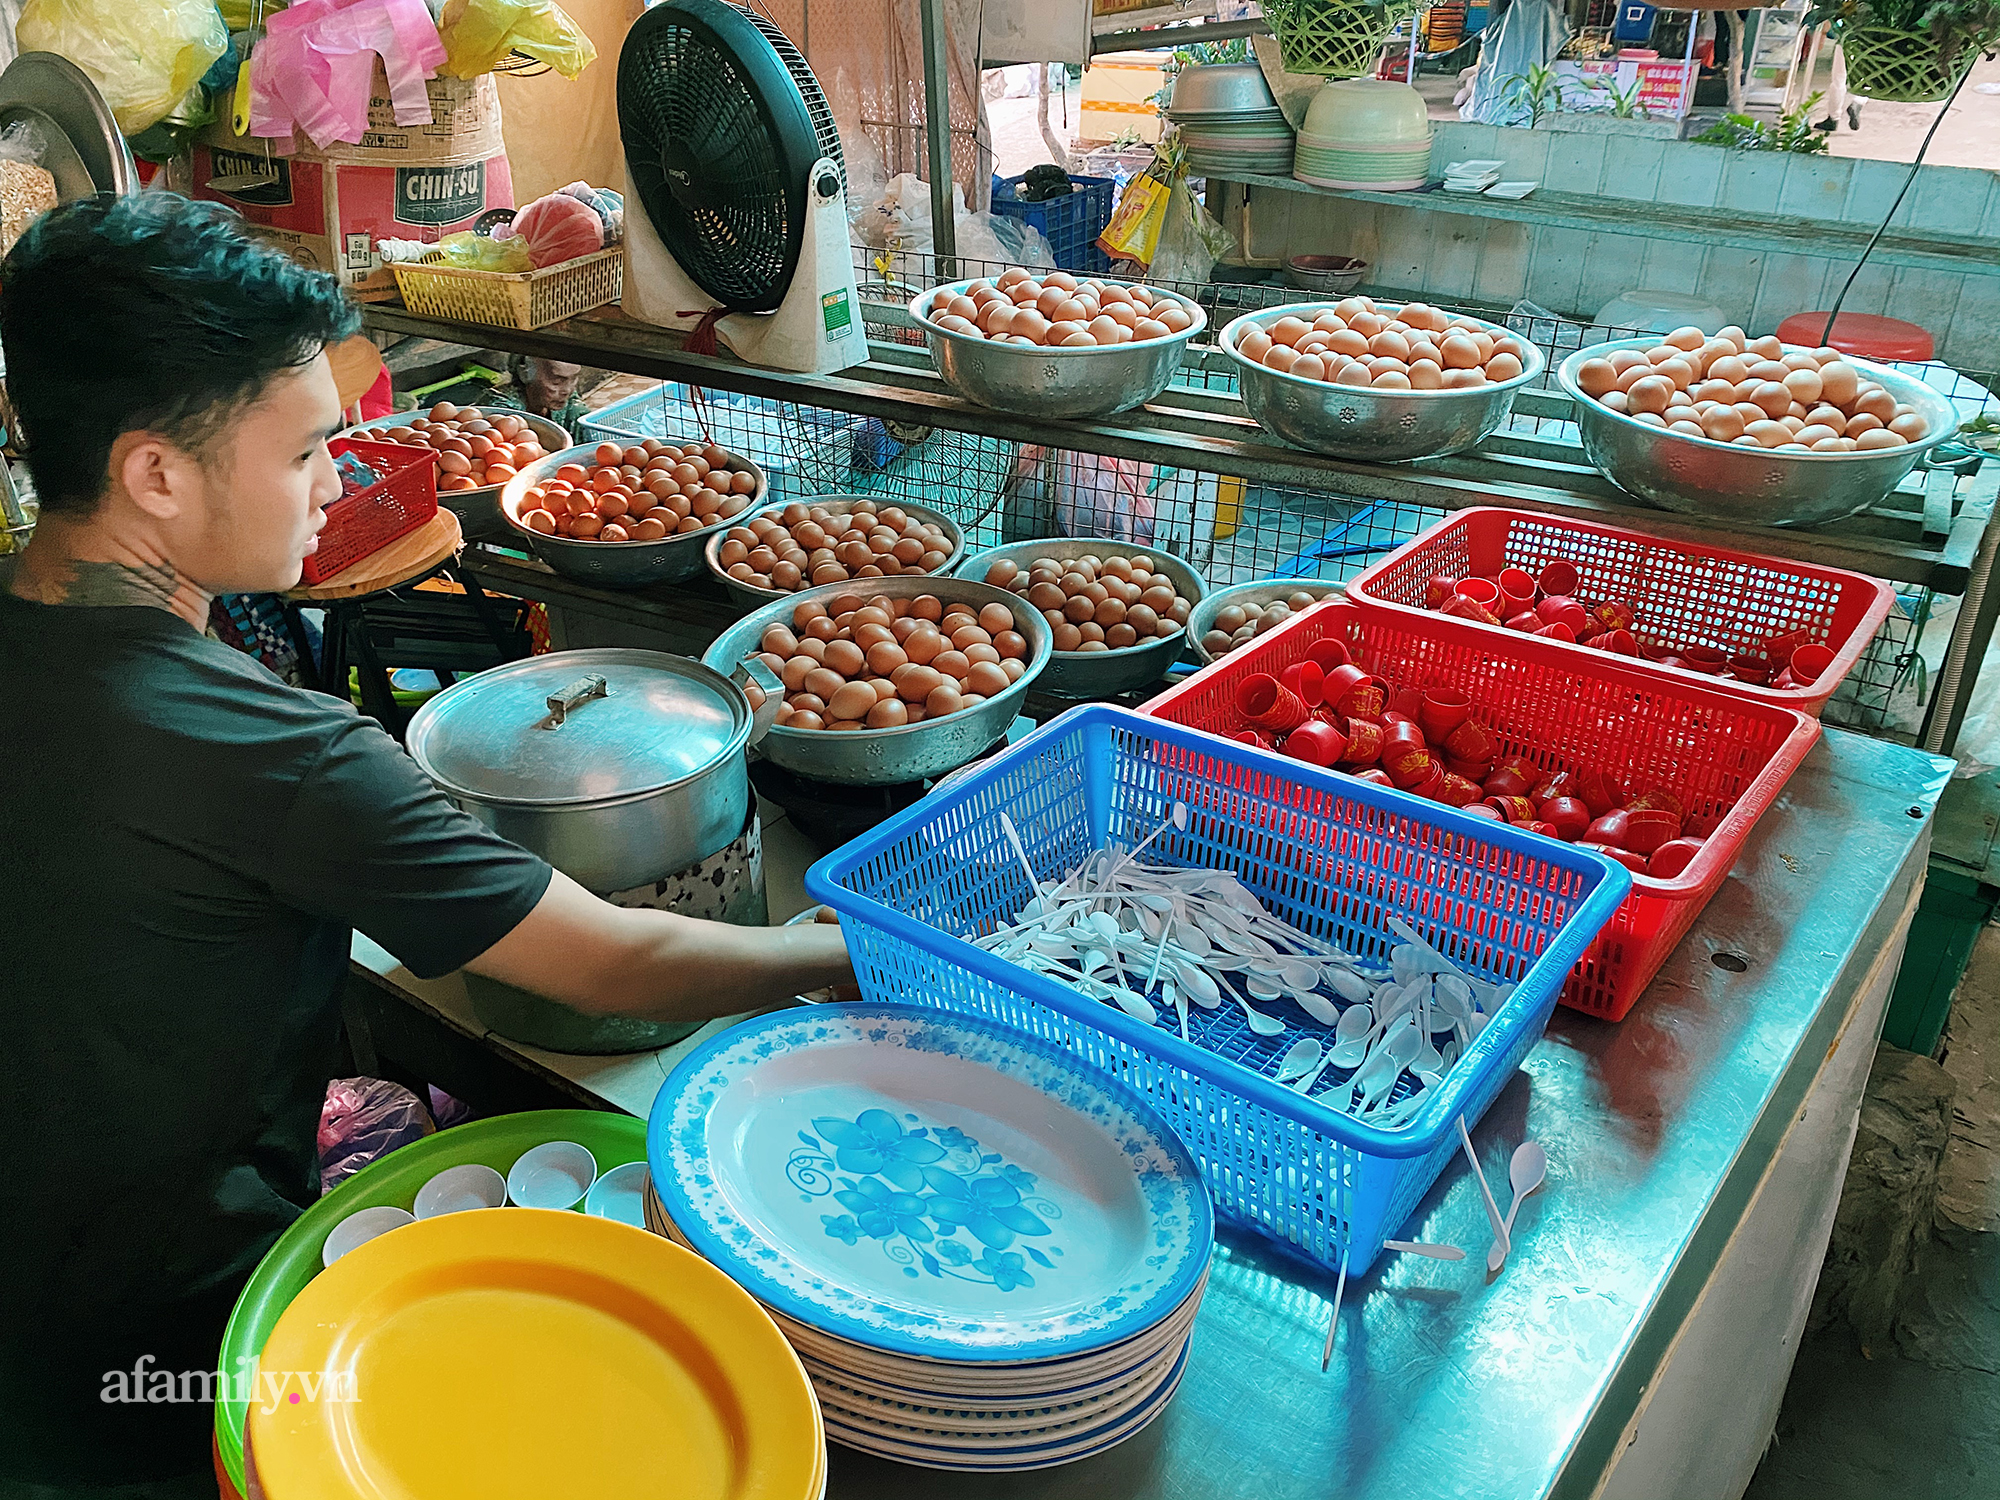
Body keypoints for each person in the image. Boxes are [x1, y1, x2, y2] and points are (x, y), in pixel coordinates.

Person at [0, 194, 853, 1497]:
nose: (335, 484)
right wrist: (834, 953)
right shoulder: (275, 752)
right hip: (169, 1355)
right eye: (301, 456)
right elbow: (614, 967)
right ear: (154, 475)